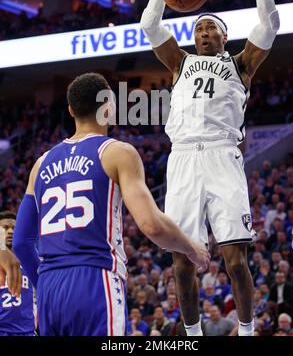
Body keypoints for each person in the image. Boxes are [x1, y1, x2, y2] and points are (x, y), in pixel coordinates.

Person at [140, 0, 280, 336]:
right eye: (199, 28)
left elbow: (269, 23)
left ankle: (248, 331)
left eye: (210, 29)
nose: (202, 33)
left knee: (235, 260)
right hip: (183, 159)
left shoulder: (241, 64)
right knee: (181, 261)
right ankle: (192, 336)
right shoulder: (179, 62)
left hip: (222, 157)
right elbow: (149, 23)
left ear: (223, 37)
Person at [13, 72, 210, 336]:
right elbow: (151, 225)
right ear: (109, 107)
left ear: (71, 110)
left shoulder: (40, 163)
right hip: (94, 280)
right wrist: (191, 248)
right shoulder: (117, 152)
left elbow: (20, 243)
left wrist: (45, 282)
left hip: (49, 286)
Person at [0, 212, 35, 336]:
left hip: (27, 332)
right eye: (5, 228)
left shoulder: (30, 260)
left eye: (14, 228)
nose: (10, 231)